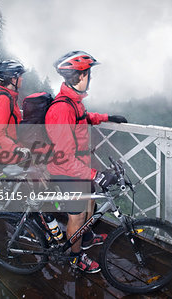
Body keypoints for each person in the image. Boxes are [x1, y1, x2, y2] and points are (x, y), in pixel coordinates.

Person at [47, 50, 127, 273]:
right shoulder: (62, 108)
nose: (90, 78)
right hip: (67, 170)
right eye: (88, 74)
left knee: (90, 201)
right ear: (81, 76)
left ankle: (86, 235)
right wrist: (96, 174)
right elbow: (63, 158)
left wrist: (107, 117)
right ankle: (75, 256)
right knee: (77, 214)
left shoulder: (73, 102)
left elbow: (85, 118)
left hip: (79, 167)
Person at [0, 59, 30, 164]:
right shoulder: (3, 99)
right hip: (9, 154)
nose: (22, 79)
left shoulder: (10, 96)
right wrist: (16, 149)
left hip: (13, 150)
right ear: (13, 78)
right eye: (20, 76)